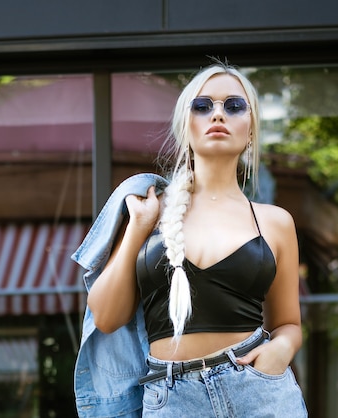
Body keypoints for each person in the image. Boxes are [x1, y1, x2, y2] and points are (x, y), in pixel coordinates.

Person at [73, 61, 307, 417]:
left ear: (251, 130)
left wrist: (281, 350)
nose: (217, 114)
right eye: (202, 106)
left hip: (259, 394)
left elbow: (288, 323)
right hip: (172, 401)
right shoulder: (147, 210)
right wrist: (138, 227)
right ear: (186, 125)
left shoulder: (275, 222)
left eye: (233, 105)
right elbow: (105, 317)